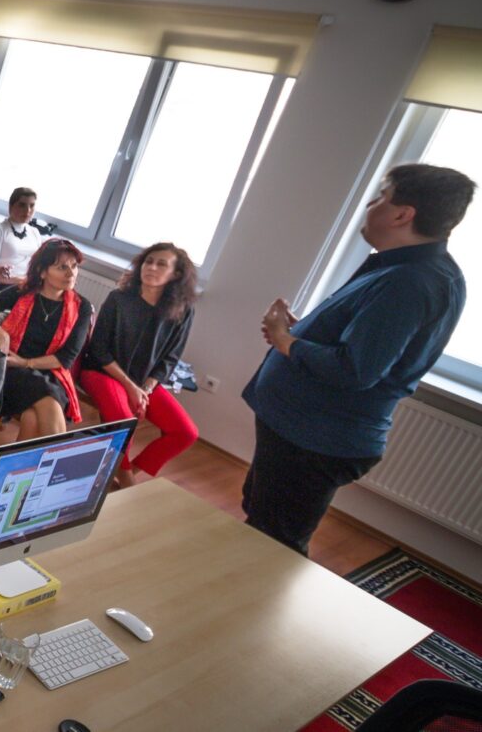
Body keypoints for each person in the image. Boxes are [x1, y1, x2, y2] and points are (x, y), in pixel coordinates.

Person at [242, 163, 472, 555]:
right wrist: (301, 334)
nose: (371, 204)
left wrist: (286, 342)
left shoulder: (410, 282)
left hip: (314, 439)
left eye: (382, 196)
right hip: (301, 430)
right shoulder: (406, 269)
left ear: (403, 214)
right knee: (261, 522)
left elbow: (354, 370)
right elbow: (365, 344)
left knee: (274, 543)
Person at [79, 243, 199, 488]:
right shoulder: (119, 299)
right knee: (124, 418)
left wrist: (146, 387)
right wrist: (131, 386)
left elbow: (170, 358)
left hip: (144, 381)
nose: (151, 267)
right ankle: (126, 480)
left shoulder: (183, 311)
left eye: (161, 264)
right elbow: (98, 349)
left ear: (175, 274)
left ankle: (122, 474)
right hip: (102, 371)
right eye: (148, 261)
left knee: (186, 433)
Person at [0, 238, 94, 439]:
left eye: (74, 266)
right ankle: (55, 463)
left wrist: (26, 362)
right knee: (46, 397)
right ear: (42, 272)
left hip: (50, 372)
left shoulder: (82, 306)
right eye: (62, 267)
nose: (71, 273)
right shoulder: (23, 292)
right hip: (10, 371)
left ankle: (17, 469)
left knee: (33, 417)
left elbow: (66, 359)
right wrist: (2, 334)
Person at [0, 187, 44, 286]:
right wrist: (20, 281)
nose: (28, 210)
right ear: (11, 206)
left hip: (28, 285)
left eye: (32, 206)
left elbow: (39, 266)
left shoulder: (35, 232)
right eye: (22, 205)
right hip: (4, 287)